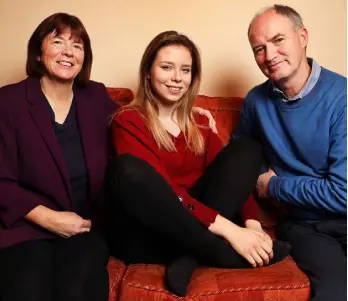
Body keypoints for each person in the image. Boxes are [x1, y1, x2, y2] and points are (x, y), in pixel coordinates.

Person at [105, 30, 290, 297]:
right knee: (127, 169)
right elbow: (163, 191)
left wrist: (253, 226)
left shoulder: (201, 123)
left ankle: (187, 256)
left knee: (247, 150)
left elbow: (235, 181)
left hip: (191, 223)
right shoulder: (129, 120)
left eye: (185, 70)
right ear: (148, 71)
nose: (177, 78)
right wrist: (230, 231)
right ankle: (215, 253)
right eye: (167, 67)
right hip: (143, 233)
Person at [232, 5, 347, 301]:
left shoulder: (342, 97)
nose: (269, 56)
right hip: (303, 226)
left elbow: (343, 192)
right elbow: (237, 162)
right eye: (259, 48)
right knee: (337, 290)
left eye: (278, 40)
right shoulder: (256, 102)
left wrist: (274, 185)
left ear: (303, 36)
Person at [0, 13, 116, 301]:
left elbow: (139, 121)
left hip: (83, 229)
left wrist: (186, 114)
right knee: (28, 288)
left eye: (77, 46)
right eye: (58, 41)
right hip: (25, 228)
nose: (68, 52)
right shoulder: (8, 102)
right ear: (39, 53)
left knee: (78, 287)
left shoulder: (96, 97)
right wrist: (50, 219)